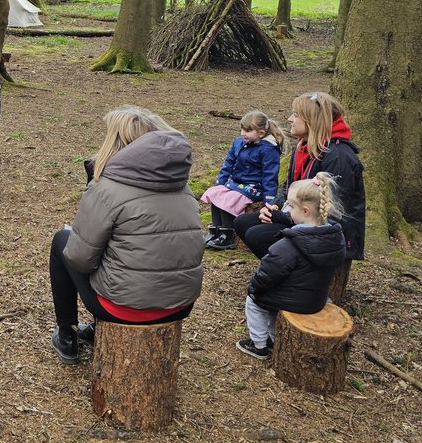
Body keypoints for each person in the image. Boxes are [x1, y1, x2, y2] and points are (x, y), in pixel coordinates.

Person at [48, 105, 205, 365]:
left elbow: (80, 259)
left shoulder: (108, 187)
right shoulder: (181, 183)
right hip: (180, 303)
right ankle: (88, 329)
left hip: (126, 309)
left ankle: (67, 334)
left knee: (61, 242)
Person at [233, 92, 365, 265]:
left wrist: (282, 217)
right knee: (243, 222)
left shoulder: (338, 156)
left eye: (295, 115)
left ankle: (297, 276)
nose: (289, 119)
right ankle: (282, 270)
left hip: (326, 231)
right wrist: (274, 206)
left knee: (257, 235)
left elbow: (329, 212)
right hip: (299, 215)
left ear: (311, 120)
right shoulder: (303, 147)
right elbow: (289, 186)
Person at [237, 172, 346, 359]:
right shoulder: (335, 237)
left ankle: (259, 344)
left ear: (305, 211)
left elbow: (267, 274)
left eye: (291, 207)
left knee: (256, 301)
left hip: (294, 300)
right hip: (317, 300)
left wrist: (253, 288)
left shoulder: (289, 244)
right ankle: (274, 336)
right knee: (274, 295)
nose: (288, 212)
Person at [201, 110, 285, 250]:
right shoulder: (239, 142)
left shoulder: (268, 149)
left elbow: (270, 175)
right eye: (242, 129)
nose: (242, 133)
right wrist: (220, 183)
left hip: (253, 187)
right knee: (215, 193)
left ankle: (227, 234)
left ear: (261, 133)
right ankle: (216, 230)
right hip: (235, 182)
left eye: (247, 130)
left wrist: (269, 200)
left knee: (228, 199)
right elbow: (228, 164)